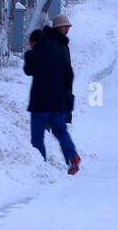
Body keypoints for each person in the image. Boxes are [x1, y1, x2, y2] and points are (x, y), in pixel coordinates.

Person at [24, 12, 80, 175]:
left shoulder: (40, 48)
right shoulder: (61, 48)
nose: (67, 30)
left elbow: (29, 70)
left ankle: (41, 166)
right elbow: (69, 74)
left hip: (41, 100)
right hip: (59, 100)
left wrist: (29, 54)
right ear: (57, 28)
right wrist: (65, 93)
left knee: (37, 136)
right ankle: (72, 156)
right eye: (65, 27)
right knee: (60, 130)